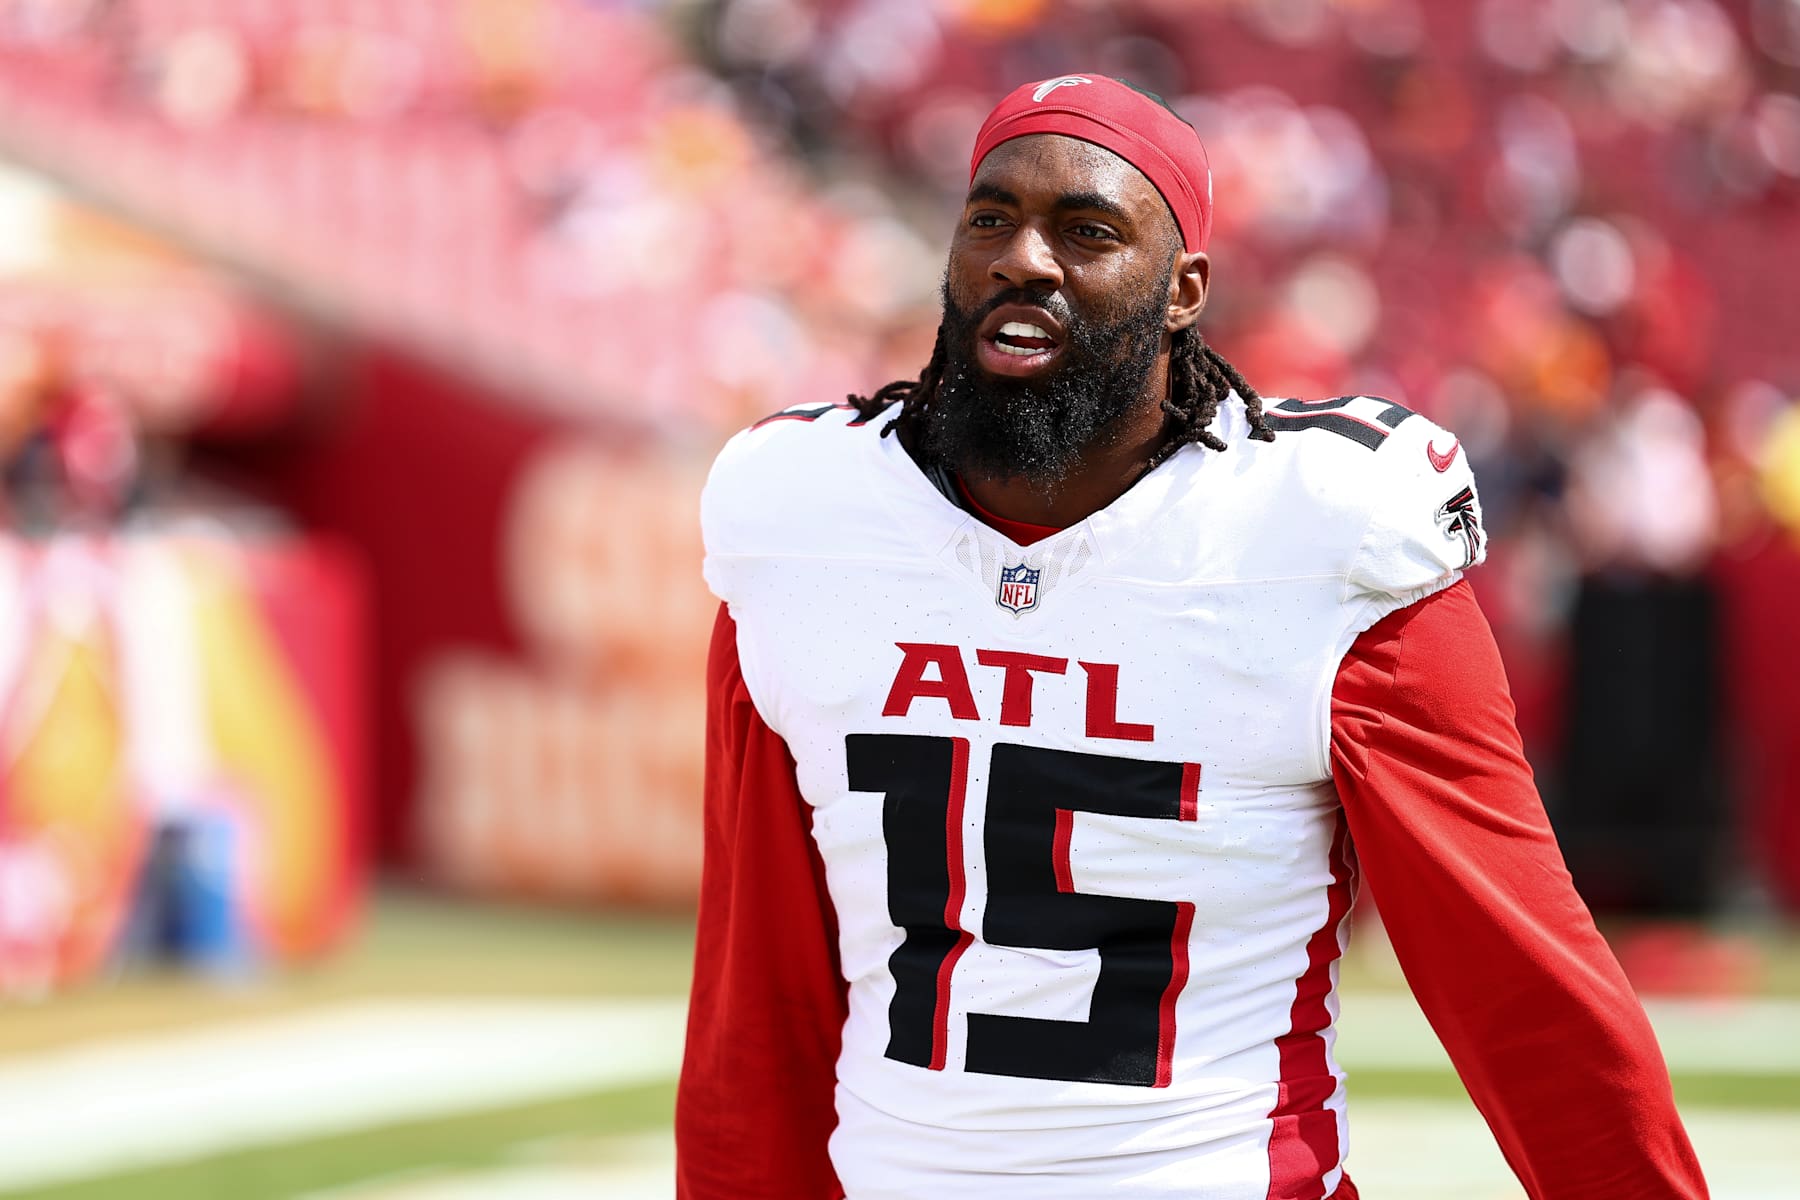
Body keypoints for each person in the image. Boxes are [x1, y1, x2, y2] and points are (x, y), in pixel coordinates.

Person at [676, 74, 1708, 1199]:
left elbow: (1524, 994)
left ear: (1183, 291)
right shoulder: (813, 523)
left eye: (1087, 230)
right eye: (990, 218)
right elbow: (758, 1001)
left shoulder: (1317, 538)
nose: (1024, 258)